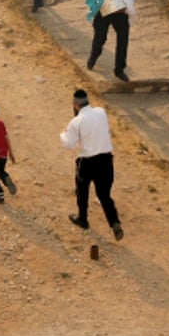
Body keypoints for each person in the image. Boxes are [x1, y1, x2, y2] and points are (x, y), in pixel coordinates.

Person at [61, 89, 123, 240]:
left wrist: (63, 133)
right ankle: (114, 222)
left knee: (82, 191)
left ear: (75, 105)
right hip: (106, 160)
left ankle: (83, 218)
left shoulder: (76, 122)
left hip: (88, 161)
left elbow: (69, 144)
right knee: (104, 194)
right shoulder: (101, 112)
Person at [87, 0, 137, 82]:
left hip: (120, 10)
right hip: (104, 8)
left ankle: (119, 69)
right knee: (100, 38)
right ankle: (93, 57)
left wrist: (126, 5)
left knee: (123, 40)